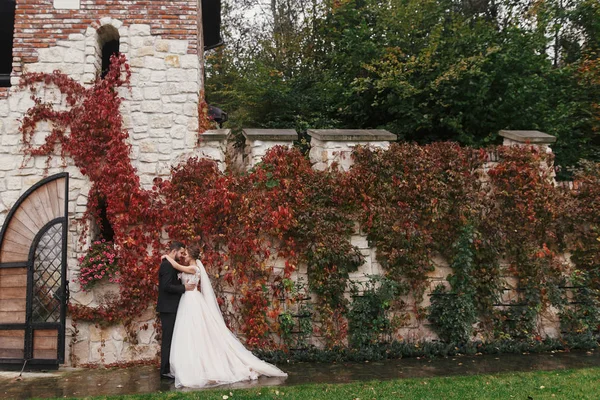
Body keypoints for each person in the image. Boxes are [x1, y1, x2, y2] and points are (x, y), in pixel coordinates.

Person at [162, 245, 288, 388]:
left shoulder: (194, 268)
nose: (184, 255)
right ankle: (188, 363)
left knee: (197, 330)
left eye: (186, 253)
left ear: (191, 255)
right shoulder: (189, 266)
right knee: (188, 332)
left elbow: (177, 266)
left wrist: (167, 257)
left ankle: (202, 365)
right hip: (186, 301)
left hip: (193, 301)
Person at [156, 241, 196, 379]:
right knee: (168, 339)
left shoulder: (171, 265)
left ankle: (170, 368)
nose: (182, 255)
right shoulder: (166, 266)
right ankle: (165, 371)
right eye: (181, 252)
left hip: (173, 307)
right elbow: (166, 286)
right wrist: (184, 288)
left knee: (173, 338)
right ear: (174, 251)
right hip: (168, 308)